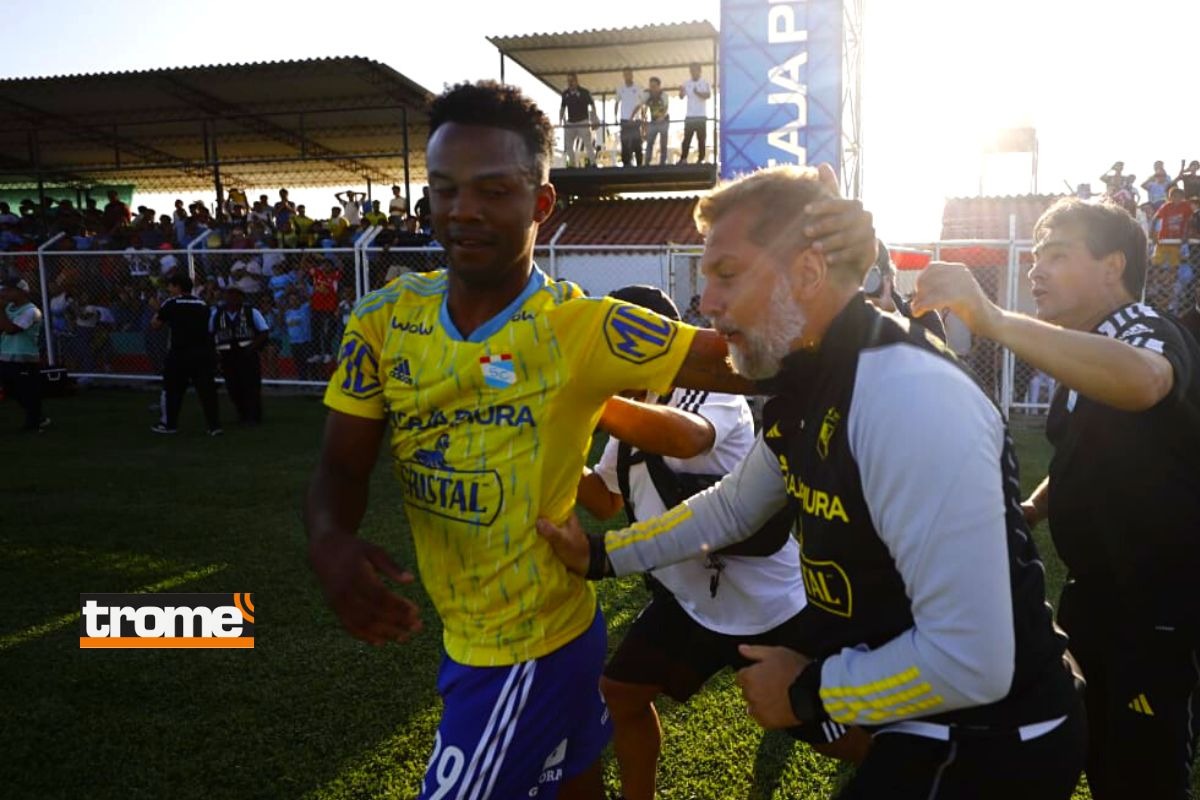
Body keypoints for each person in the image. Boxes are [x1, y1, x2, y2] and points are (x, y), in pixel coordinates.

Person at [304, 82, 875, 800]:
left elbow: (753, 360)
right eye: (444, 189)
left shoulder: (584, 329)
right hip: (497, 635)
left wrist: (834, 275)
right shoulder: (382, 321)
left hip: (525, 648)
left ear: (541, 204)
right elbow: (339, 465)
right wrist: (329, 538)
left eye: (493, 189)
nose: (463, 210)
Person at [537, 166, 1086, 800]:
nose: (706, 304)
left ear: (806, 274)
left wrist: (808, 689)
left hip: (997, 740)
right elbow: (731, 508)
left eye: (727, 274)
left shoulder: (907, 395)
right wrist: (601, 556)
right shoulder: (814, 377)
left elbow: (974, 658)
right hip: (925, 726)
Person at [912, 197, 1200, 800]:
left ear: (1112, 266)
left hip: (1153, 604)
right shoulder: (1084, 345)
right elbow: (1087, 454)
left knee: (1142, 770)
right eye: (1036, 255)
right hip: (1093, 591)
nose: (1037, 270)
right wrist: (1036, 509)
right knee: (1087, 745)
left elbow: (1146, 381)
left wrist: (992, 319)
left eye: (1057, 255)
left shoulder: (1142, 329)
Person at [580, 285, 820, 800]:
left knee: (836, 732)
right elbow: (604, 499)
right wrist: (540, 446)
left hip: (767, 605)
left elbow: (687, 439)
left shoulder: (707, 390)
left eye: (609, 340)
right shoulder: (630, 411)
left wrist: (584, 398)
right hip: (690, 604)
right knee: (621, 693)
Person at [151, 273, 222, 436]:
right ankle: (214, 426)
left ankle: (170, 424)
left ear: (177, 287)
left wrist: (157, 309)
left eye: (170, 286)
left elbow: (155, 325)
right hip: (202, 352)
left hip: (180, 352)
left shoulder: (171, 303)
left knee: (173, 390)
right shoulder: (202, 304)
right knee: (207, 391)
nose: (169, 289)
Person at [863, 242, 946, 341]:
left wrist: (894, 316)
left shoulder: (923, 315)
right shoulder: (846, 323)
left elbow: (935, 354)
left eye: (869, 277)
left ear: (888, 277)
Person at [210, 286, 268, 425]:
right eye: (229, 295)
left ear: (242, 297)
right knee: (233, 386)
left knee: (251, 385)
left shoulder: (251, 312)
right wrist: (214, 351)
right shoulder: (216, 313)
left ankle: (253, 416)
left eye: (236, 295)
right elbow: (210, 333)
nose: (232, 298)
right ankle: (242, 413)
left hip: (247, 354)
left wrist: (251, 347)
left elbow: (264, 331)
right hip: (227, 354)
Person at [0, 274, 49, 432]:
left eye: (8, 290)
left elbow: (11, 329)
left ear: (21, 292)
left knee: (26, 392)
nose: (4, 293)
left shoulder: (32, 311)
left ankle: (35, 422)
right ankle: (37, 418)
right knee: (14, 390)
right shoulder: (9, 308)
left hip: (24, 358)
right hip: (6, 355)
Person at [559, 72, 596, 168]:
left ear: (576, 81)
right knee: (568, 145)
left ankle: (593, 163)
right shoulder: (565, 94)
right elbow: (562, 108)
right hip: (571, 122)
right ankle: (572, 165)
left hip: (583, 122)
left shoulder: (585, 92)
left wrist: (594, 119)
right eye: (568, 81)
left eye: (572, 81)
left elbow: (592, 105)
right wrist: (560, 120)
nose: (570, 83)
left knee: (588, 144)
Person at [678, 63, 711, 164]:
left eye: (695, 70)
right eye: (691, 71)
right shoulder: (686, 83)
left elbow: (708, 95)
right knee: (687, 139)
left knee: (701, 139)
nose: (693, 73)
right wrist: (681, 92)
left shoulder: (705, 82)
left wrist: (698, 93)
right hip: (690, 116)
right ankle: (683, 159)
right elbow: (681, 97)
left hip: (701, 116)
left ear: (700, 71)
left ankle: (701, 159)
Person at [614, 68, 644, 168]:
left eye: (629, 74)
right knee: (625, 142)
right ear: (623, 76)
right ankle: (626, 163)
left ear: (632, 75)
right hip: (624, 119)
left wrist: (642, 117)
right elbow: (617, 102)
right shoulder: (620, 88)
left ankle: (639, 163)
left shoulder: (638, 87)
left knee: (636, 141)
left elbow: (642, 104)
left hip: (636, 120)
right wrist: (615, 117)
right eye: (625, 74)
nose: (627, 76)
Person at [642, 77, 670, 166]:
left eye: (654, 86)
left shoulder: (663, 95)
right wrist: (644, 122)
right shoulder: (647, 95)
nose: (652, 88)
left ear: (659, 86)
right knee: (650, 141)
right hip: (653, 121)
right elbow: (643, 108)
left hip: (664, 121)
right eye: (651, 86)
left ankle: (662, 162)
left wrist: (661, 117)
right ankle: (647, 161)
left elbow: (666, 108)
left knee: (663, 142)